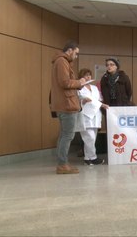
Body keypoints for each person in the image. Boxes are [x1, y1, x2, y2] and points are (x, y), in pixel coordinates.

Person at [50, 41, 86, 174]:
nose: (76, 57)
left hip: (64, 103)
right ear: (70, 50)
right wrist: (80, 82)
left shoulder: (60, 61)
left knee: (64, 135)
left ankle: (62, 163)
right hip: (67, 104)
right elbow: (65, 82)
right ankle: (62, 164)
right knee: (67, 135)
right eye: (76, 53)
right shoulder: (62, 61)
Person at [75, 68, 109, 165]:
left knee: (92, 138)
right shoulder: (79, 88)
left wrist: (100, 103)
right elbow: (79, 99)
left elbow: (99, 98)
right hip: (85, 115)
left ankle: (87, 158)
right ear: (81, 77)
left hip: (95, 115)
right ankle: (93, 158)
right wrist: (84, 101)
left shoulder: (94, 88)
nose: (88, 77)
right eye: (85, 75)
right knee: (88, 137)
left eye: (89, 75)